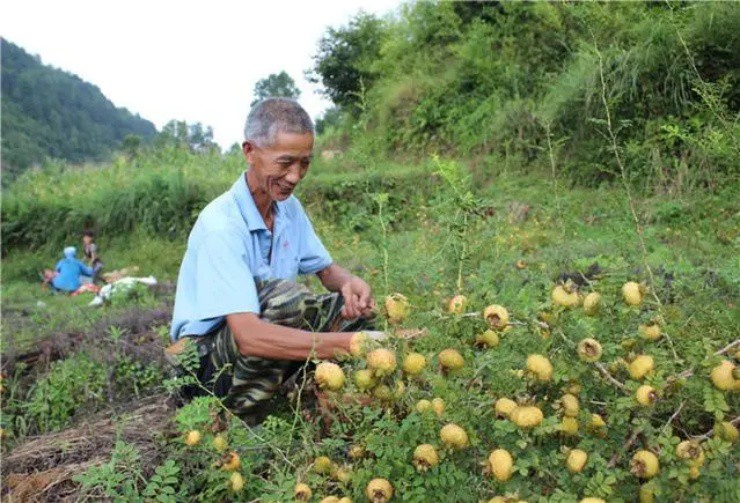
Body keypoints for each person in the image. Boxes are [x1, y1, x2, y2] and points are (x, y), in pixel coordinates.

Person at [169, 98, 384, 423]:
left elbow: (325, 270)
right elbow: (249, 335)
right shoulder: (221, 225)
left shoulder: (288, 209)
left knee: (354, 312)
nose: (295, 176)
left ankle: (316, 402)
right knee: (285, 301)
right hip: (202, 365)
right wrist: (349, 343)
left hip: (256, 344)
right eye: (285, 163)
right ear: (250, 151)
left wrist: (349, 283)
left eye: (305, 163)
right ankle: (243, 423)